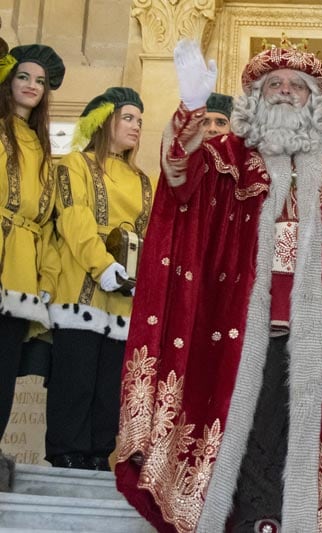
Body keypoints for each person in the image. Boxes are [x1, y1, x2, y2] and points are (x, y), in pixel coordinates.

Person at [114, 38, 322, 532]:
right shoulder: (226, 157)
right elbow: (178, 177)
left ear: (316, 100)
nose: (283, 91)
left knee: (311, 431)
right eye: (272, 84)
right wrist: (190, 108)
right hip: (235, 330)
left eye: (296, 85)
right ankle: (255, 522)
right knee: (249, 433)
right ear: (254, 96)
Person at [45, 87, 154, 471]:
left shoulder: (143, 180)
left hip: (125, 296)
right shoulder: (75, 164)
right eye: (128, 118)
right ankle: (66, 451)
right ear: (104, 121)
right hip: (82, 286)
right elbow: (74, 219)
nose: (136, 126)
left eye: (140, 120)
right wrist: (102, 265)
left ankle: (96, 453)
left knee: (110, 385)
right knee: (76, 378)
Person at [0, 43, 64, 485]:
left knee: (5, 366)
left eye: (40, 82)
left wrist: (44, 278)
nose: (32, 86)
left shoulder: (42, 146)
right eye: (24, 77)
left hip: (21, 269)